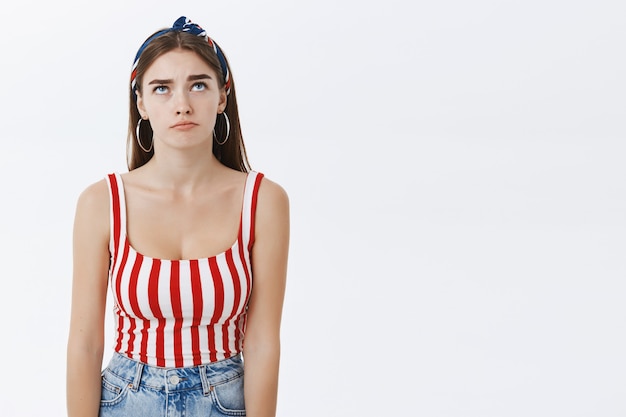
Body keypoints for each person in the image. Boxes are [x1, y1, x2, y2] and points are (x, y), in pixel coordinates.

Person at [66, 16, 289, 417]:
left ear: (222, 97)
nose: (182, 104)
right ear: (141, 104)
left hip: (226, 401)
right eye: (162, 88)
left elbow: (262, 342)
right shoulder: (102, 202)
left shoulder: (262, 201)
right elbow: (84, 343)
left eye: (198, 84)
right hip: (125, 400)